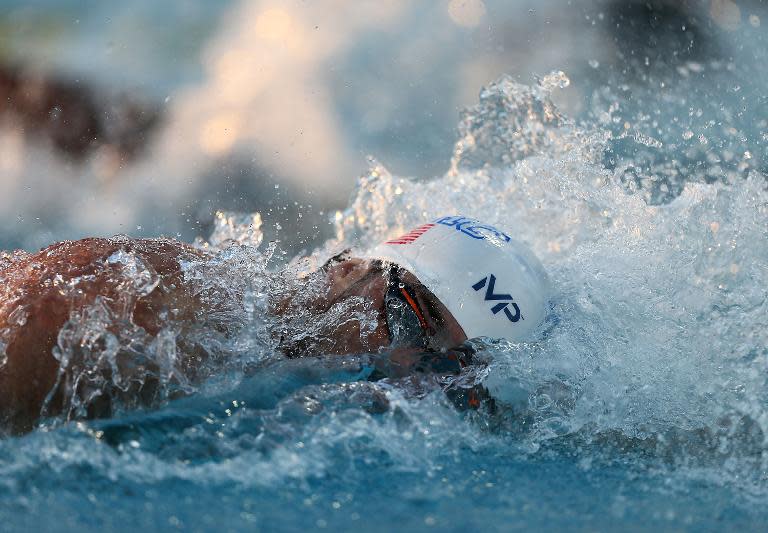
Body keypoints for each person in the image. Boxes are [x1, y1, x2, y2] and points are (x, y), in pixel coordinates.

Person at [0, 215, 549, 434]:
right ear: (347, 272)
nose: (411, 375)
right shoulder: (164, 305)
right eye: (408, 323)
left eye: (452, 374)